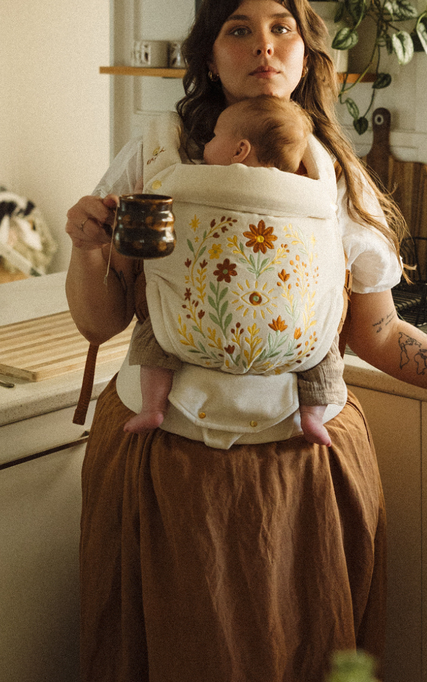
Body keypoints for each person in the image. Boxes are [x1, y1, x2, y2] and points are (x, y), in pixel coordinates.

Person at [66, 0, 427, 682]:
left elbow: (382, 335)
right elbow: (99, 322)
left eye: (282, 27)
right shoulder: (158, 152)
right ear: (209, 55)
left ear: (307, 52)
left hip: (294, 476)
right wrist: (86, 245)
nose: (264, 45)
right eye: (239, 29)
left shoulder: (336, 173)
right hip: (164, 470)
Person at [124, 95, 343, 446]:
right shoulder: (318, 196)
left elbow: (158, 187)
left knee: (155, 325)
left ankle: (153, 405)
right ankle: (313, 415)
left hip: (189, 330)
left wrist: (149, 187)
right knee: (324, 338)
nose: (207, 144)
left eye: (213, 137)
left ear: (239, 150)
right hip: (293, 339)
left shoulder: (186, 181)